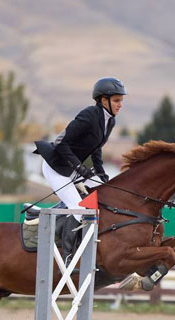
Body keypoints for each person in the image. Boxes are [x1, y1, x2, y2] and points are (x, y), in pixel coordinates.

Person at [33, 77, 126, 259]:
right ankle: (68, 256)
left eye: (121, 100)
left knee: (105, 193)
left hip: (72, 168)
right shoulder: (89, 115)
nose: (120, 104)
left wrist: (100, 172)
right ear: (103, 100)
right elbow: (61, 143)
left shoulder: (110, 121)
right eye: (116, 100)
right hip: (56, 166)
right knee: (79, 210)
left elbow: (96, 147)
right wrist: (79, 167)